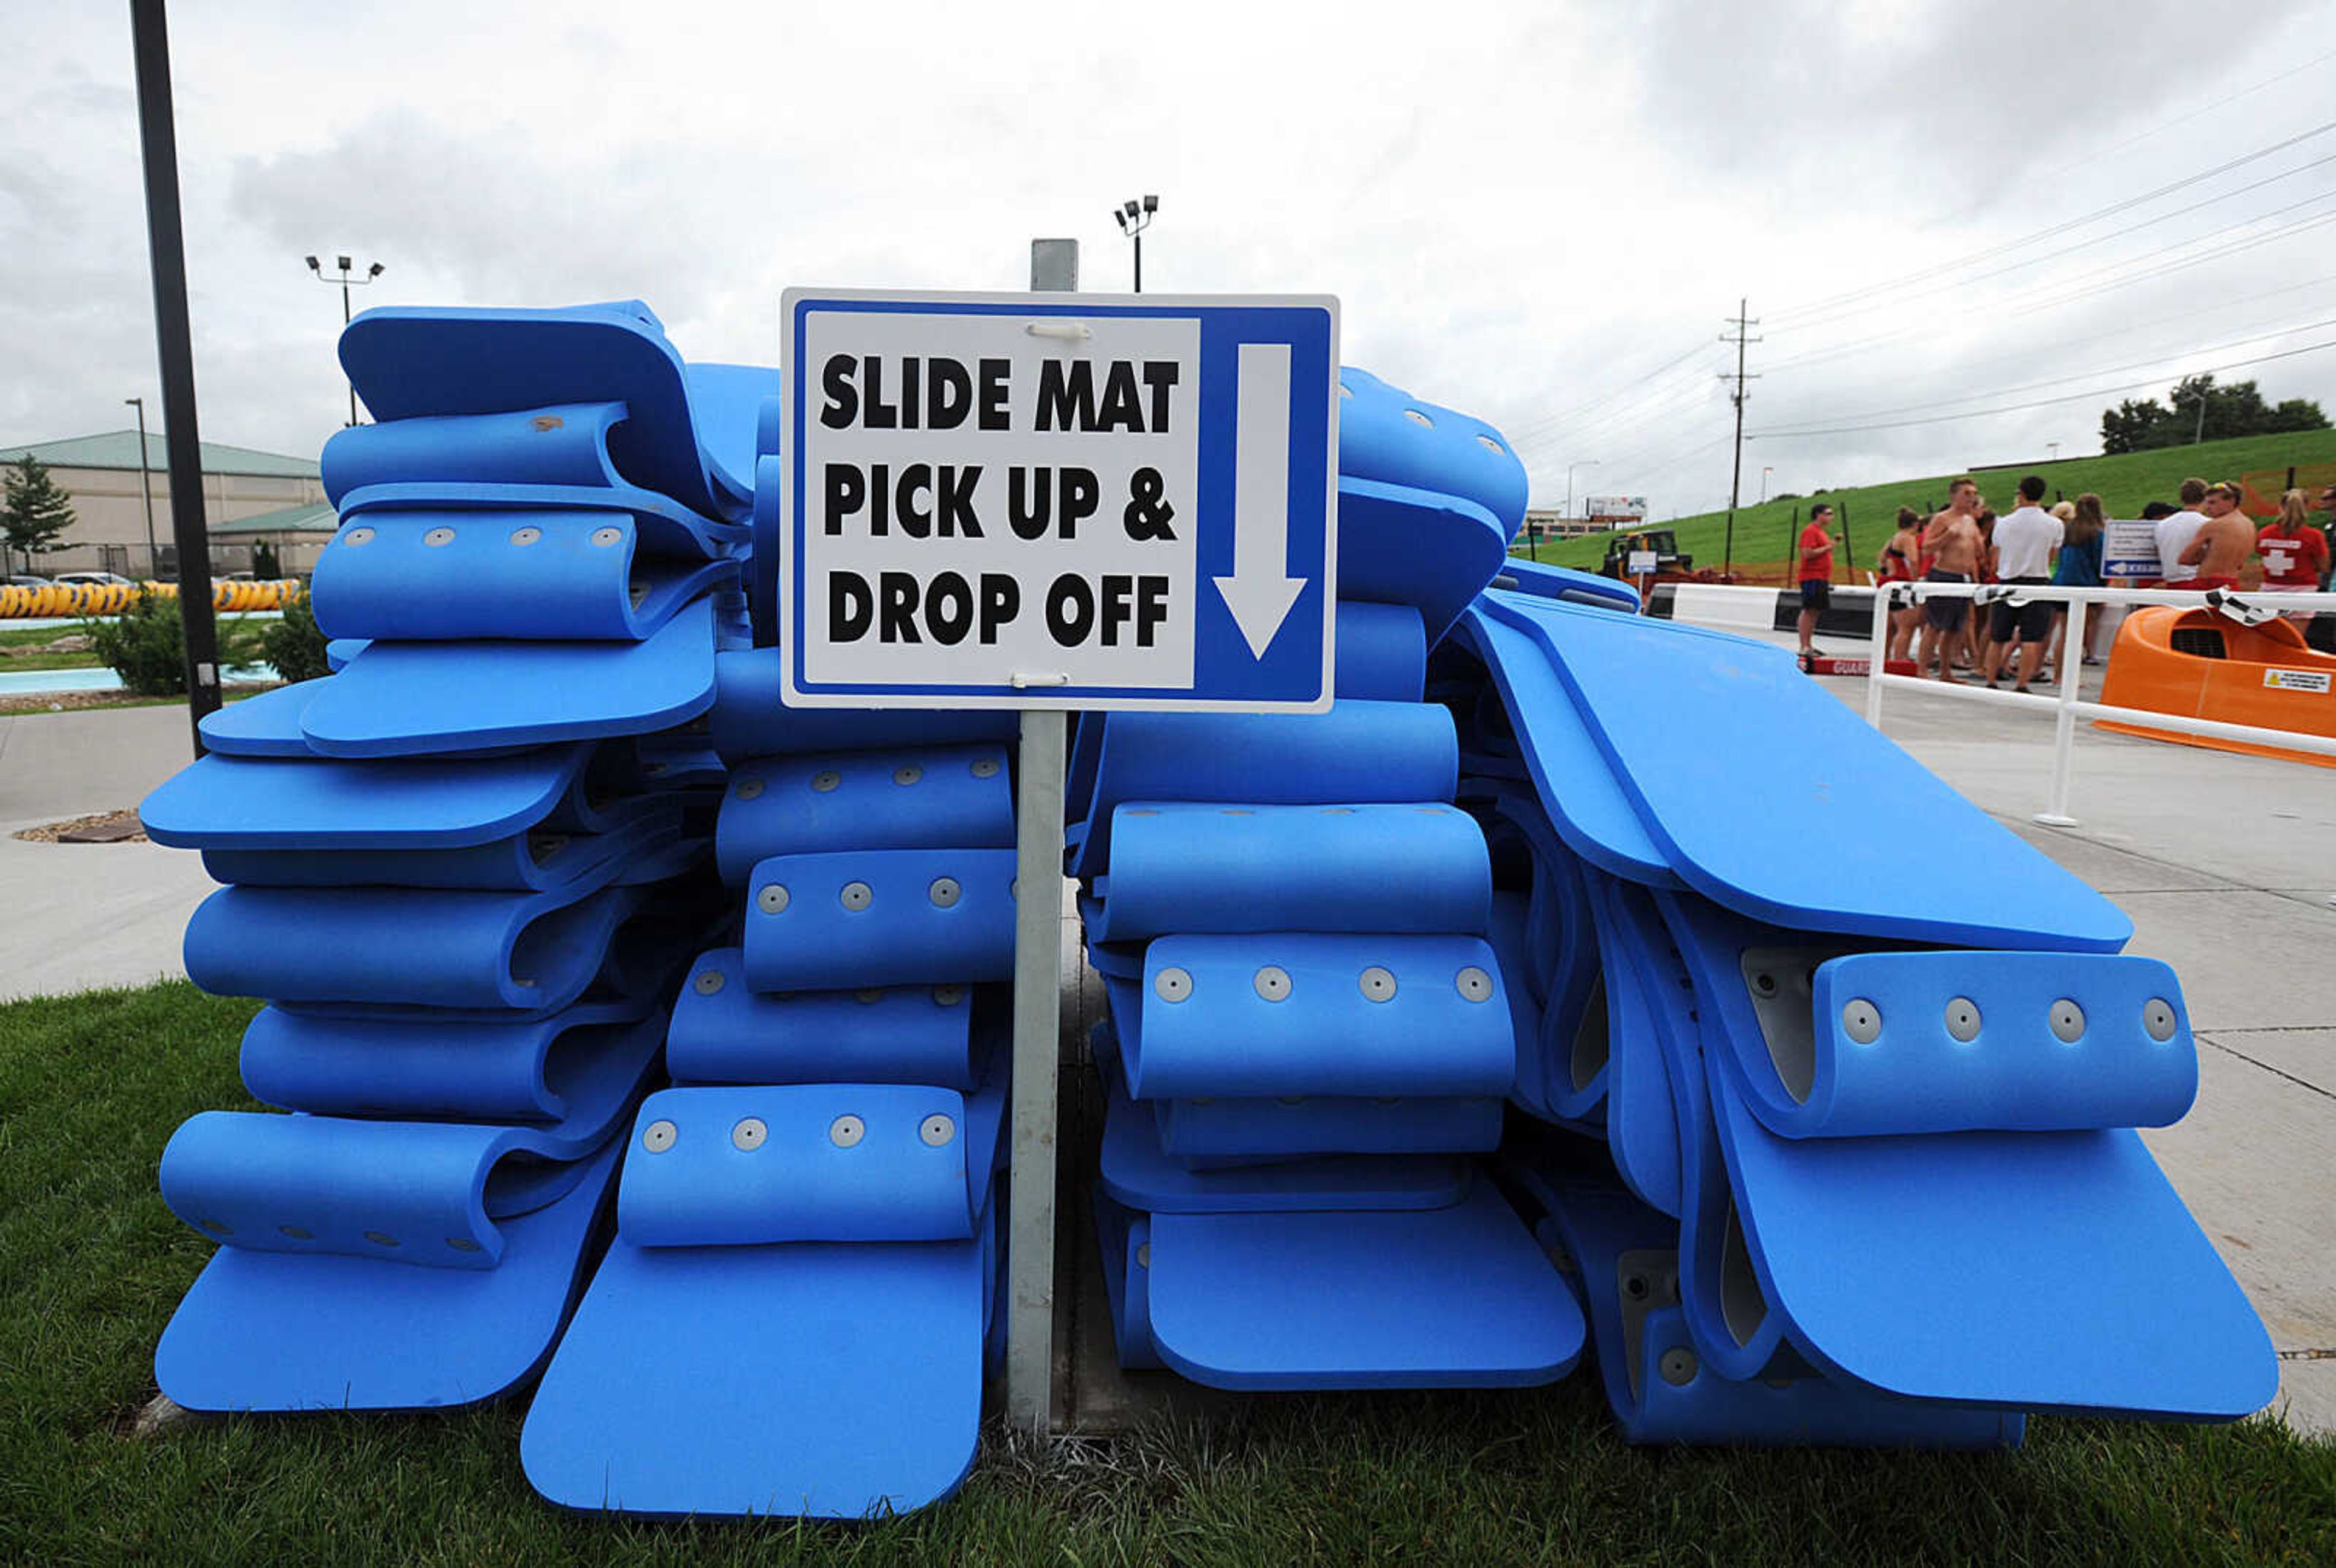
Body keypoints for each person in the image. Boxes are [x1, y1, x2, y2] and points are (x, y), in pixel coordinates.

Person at [1980, 476, 2063, 692]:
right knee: (2031, 638)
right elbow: (2052, 556)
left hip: (2007, 580)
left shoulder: (2004, 523)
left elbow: (1995, 553)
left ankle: (1991, 680)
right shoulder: (2055, 524)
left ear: (2021, 494)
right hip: (2037, 580)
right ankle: (2022, 682)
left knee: (1998, 636)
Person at [1919, 479, 1984, 681]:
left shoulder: (1970, 521)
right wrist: (1948, 536)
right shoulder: (1942, 519)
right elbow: (1927, 548)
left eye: (1974, 493)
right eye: (1966, 493)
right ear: (1953, 496)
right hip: (1943, 575)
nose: (1971, 497)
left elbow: (1975, 552)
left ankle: (1946, 671)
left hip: (1963, 578)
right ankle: (1922, 670)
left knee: (1955, 628)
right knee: (1935, 625)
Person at [2049, 492, 2107, 669]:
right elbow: (2100, 563)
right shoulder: (2097, 533)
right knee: (2078, 634)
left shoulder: (2067, 529)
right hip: (2086, 585)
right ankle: (2071, 675)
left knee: (2065, 633)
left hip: (2062, 583)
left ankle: (2059, 675)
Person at [2255, 488, 2329, 618]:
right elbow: (2324, 566)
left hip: (2269, 590)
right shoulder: (2313, 536)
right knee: (2294, 637)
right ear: (2306, 507)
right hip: (2302, 591)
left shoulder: (2265, 533)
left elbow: (2262, 556)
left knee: (2268, 635)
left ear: (2280, 507)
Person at [2178, 480, 2253, 590]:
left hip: (2209, 584)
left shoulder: (2214, 525)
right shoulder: (2249, 525)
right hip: (2232, 582)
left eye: (2213, 503)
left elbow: (2184, 559)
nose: (2207, 507)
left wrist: (2207, 555)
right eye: (2207, 502)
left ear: (2231, 501)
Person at [1880, 505, 1925, 661]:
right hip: (1902, 584)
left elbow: (1882, 559)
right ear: (1915, 524)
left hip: (1891, 583)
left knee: (1891, 627)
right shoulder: (1908, 538)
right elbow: (1913, 560)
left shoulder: (1894, 538)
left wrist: (1888, 571)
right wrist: (1916, 582)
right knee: (1907, 626)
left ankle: (1885, 659)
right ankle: (1901, 659)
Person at [1796, 503, 1837, 658]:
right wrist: (1827, 548)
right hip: (1811, 576)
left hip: (1821, 577)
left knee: (1815, 610)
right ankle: (1804, 646)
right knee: (1809, 609)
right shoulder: (1811, 531)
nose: (1831, 517)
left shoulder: (1820, 532)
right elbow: (1807, 553)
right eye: (1828, 513)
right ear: (1819, 515)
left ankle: (1808, 644)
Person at [2154, 478, 2209, 585]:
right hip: (2197, 579)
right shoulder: (2208, 524)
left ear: (2181, 499)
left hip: (2172, 581)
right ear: (2205, 498)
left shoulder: (2162, 524)